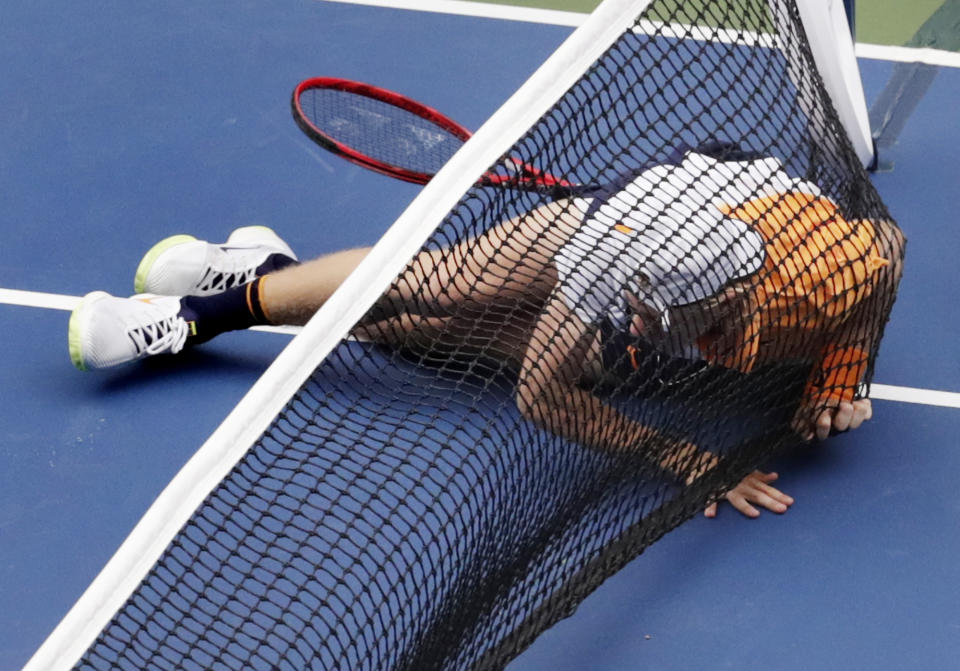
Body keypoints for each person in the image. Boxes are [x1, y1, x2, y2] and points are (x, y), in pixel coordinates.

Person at [67, 146, 905, 519]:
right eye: (641, 312)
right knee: (440, 287)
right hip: (602, 228)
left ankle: (271, 267)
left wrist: (840, 372)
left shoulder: (825, 278)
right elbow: (544, 398)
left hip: (722, 218)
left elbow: (890, 254)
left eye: (662, 322)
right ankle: (196, 316)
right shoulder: (618, 269)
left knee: (419, 337)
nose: (643, 328)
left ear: (730, 302)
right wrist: (687, 461)